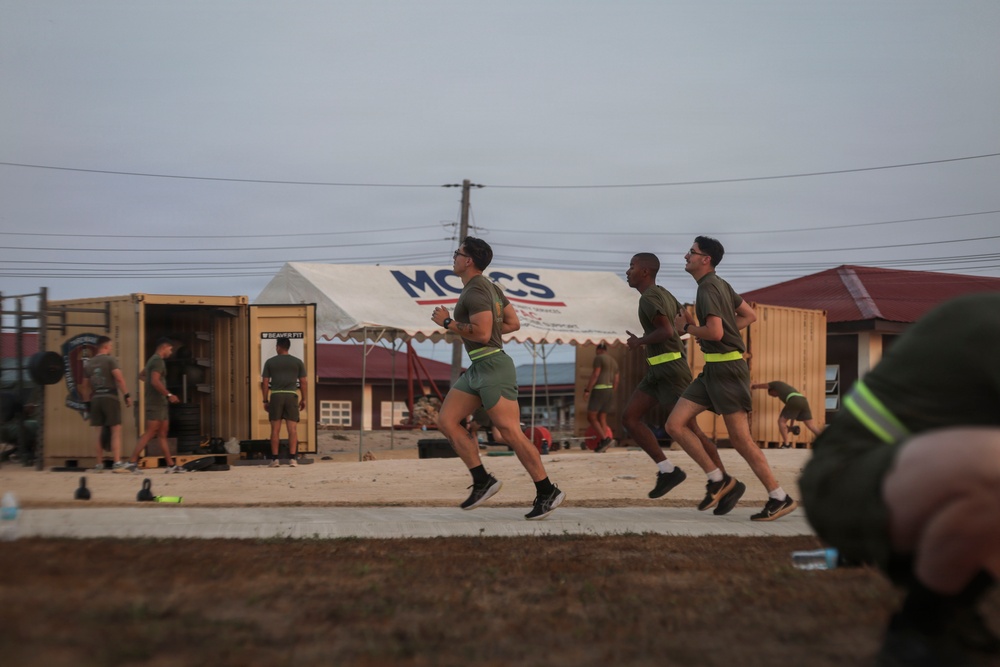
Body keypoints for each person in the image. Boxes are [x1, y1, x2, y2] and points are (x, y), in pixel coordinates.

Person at [801, 293, 1000, 666]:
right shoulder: (989, 323)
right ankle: (920, 629)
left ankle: (954, 611)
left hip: (909, 480)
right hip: (846, 483)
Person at [431, 237, 565, 520]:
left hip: (493, 366)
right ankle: (482, 481)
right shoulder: (488, 287)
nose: (453, 257)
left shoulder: (477, 289)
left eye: (457, 253)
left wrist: (447, 322)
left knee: (510, 432)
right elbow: (513, 323)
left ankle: (547, 490)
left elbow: (481, 334)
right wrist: (488, 329)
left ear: (468, 261)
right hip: (478, 367)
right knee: (446, 420)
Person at [666, 236, 796, 521]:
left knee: (741, 440)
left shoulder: (709, 289)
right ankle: (719, 479)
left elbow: (715, 333)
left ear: (705, 260)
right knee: (675, 424)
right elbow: (749, 315)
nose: (686, 255)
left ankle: (779, 497)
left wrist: (686, 327)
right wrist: (720, 333)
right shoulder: (719, 284)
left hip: (727, 371)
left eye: (692, 252)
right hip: (712, 370)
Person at [622, 253, 725, 500]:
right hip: (658, 370)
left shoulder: (649, 298)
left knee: (691, 429)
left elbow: (667, 330)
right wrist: (688, 333)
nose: (627, 271)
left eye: (632, 266)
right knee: (630, 418)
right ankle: (667, 470)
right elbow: (686, 320)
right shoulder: (664, 293)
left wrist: (640, 341)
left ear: (645, 271)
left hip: (670, 371)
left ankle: (722, 480)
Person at [127, 338, 183, 473]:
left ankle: (171, 465)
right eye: (170, 349)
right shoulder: (158, 361)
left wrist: (152, 385)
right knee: (150, 432)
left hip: (160, 403)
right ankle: (132, 462)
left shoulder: (152, 360)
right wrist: (169, 395)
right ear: (164, 347)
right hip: (156, 403)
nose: (171, 352)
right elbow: (155, 381)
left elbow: (142, 375)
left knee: (163, 434)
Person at [80, 336, 132, 473]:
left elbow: (85, 386)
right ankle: (116, 463)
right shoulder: (110, 360)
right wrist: (127, 395)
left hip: (96, 398)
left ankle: (99, 465)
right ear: (106, 347)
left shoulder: (89, 364)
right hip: (110, 398)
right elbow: (119, 379)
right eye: (110, 346)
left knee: (98, 432)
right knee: (116, 431)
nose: (111, 349)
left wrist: (87, 402)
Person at [261, 337, 308, 467]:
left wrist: (265, 399)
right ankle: (292, 459)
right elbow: (303, 382)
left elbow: (265, 383)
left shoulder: (270, 362)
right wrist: (304, 398)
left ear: (279, 347)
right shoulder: (297, 362)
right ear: (288, 347)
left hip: (276, 396)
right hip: (291, 396)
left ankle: (275, 459)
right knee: (292, 429)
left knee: (275, 430)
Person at [751, 381, 825, 447]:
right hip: (803, 401)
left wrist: (755, 386)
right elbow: (792, 414)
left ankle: (786, 444)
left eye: (772, 394)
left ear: (773, 390)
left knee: (781, 421)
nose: (774, 396)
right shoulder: (785, 393)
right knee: (811, 425)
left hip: (794, 400)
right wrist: (791, 427)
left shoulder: (776, 384)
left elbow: (766, 385)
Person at [583, 342, 619, 452]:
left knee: (591, 416)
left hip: (599, 389)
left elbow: (596, 374)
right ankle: (605, 444)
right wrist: (612, 391)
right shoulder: (614, 362)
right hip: (610, 390)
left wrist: (587, 389)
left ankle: (604, 439)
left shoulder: (599, 358)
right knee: (602, 417)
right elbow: (617, 380)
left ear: (599, 350)